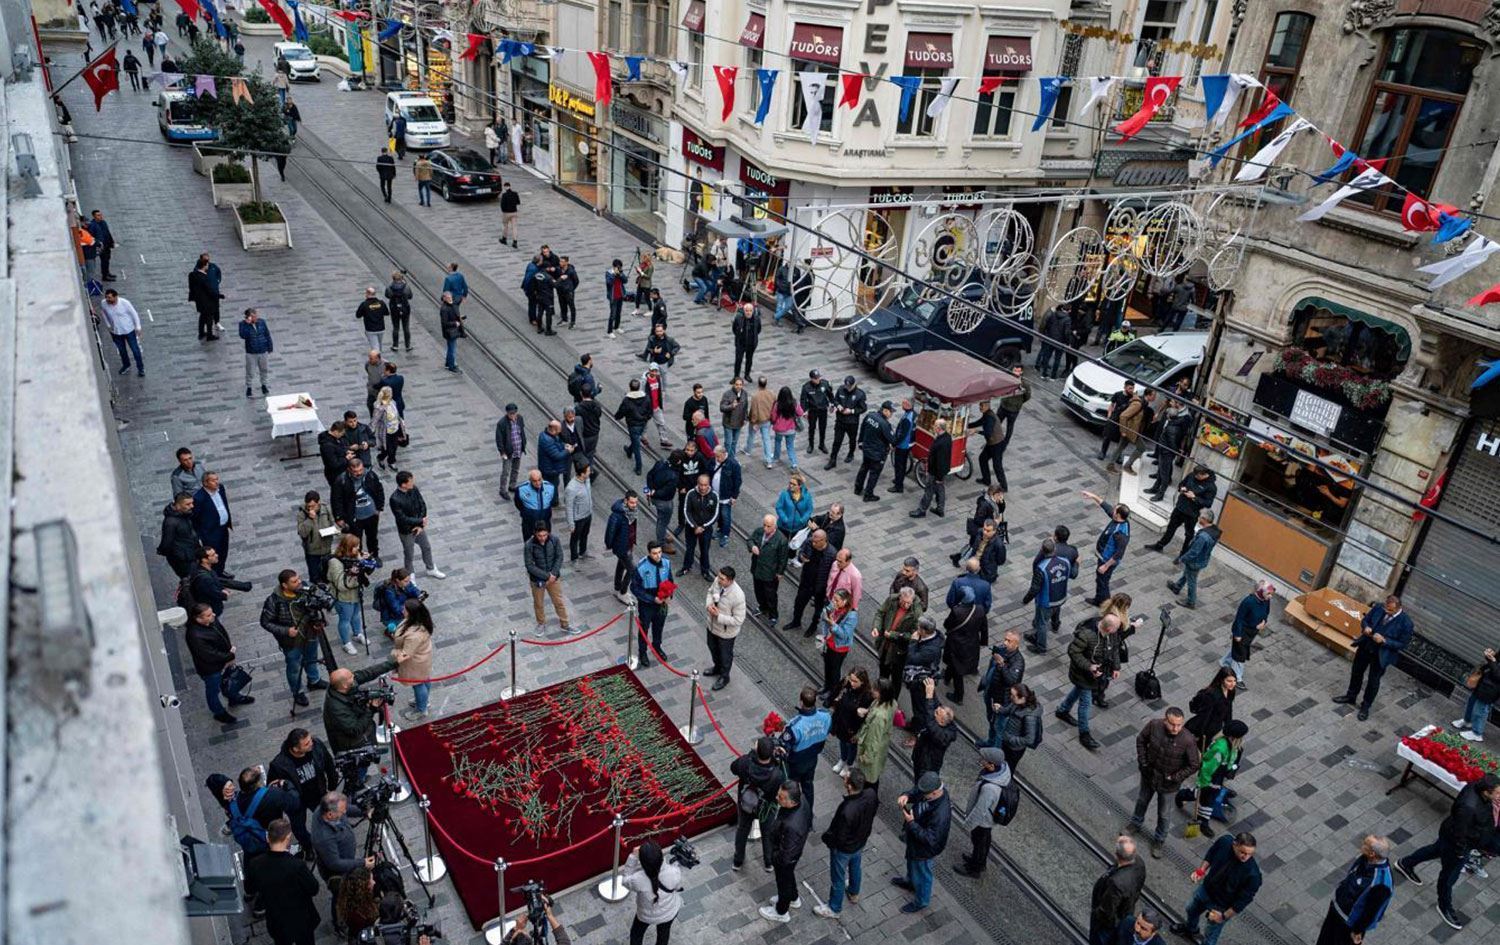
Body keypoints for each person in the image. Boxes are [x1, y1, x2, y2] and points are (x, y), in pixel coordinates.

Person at [1394, 774, 1497, 930]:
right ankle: (1444, 905)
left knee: (1435, 850)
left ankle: (1405, 864)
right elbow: (1460, 833)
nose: (1499, 795)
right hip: (1458, 844)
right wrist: (1461, 853)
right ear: (1486, 792)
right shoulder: (1469, 807)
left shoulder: (1478, 789)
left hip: (1454, 836)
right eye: (1497, 793)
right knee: (1449, 876)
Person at [1129, 707, 1202, 857]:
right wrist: (1143, 762)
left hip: (1169, 784)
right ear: (1165, 720)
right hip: (1149, 774)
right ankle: (1135, 824)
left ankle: (1159, 840)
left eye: (1179, 725)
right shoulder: (1154, 726)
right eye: (1172, 724)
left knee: (1163, 814)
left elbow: (1194, 764)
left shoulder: (1187, 740)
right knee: (1142, 800)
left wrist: (1175, 777)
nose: (1176, 728)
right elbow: (1141, 740)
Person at [1171, 832, 1262, 944]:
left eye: (1250, 854)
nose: (1246, 857)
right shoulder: (1224, 842)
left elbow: (1242, 901)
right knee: (1191, 909)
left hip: (1221, 906)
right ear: (1234, 845)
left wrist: (1223, 916)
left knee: (1211, 935)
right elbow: (1211, 854)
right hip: (1206, 890)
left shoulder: (1253, 875)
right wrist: (1201, 871)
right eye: (1243, 852)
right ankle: (1190, 929)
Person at [813, 766, 879, 919]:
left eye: (845, 779)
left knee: (838, 877)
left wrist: (829, 841)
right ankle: (854, 892)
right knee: (855, 866)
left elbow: (839, 836)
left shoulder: (847, 810)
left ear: (849, 786)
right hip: (860, 841)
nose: (843, 780)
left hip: (844, 849)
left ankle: (834, 908)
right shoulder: (871, 795)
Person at [1334, 595, 1414, 721]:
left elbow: (1402, 644)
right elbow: (1365, 620)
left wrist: (1385, 641)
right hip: (1366, 646)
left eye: (1390, 611)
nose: (1386, 612)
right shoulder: (1378, 608)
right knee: (1356, 672)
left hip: (1381, 655)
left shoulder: (1406, 623)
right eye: (1386, 608)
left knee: (1373, 681)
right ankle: (1351, 696)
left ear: (1399, 608)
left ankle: (1365, 707)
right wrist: (1366, 627)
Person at [243, 818, 320, 945]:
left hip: (276, 920)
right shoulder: (297, 865)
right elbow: (314, 888)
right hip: (301, 919)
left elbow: (250, 887)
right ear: (287, 838)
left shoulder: (255, 864)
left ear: (268, 838)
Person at [1056, 614, 1123, 752]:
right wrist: (1089, 666)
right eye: (1116, 627)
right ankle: (1084, 734)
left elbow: (1115, 649)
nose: (1118, 629)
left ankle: (1062, 710)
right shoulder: (1086, 635)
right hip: (1082, 675)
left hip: (1097, 675)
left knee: (1077, 691)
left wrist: (1116, 667)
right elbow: (1073, 652)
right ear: (1109, 628)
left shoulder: (1112, 635)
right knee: (1085, 703)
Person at [260, 570, 327, 706]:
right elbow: (265, 622)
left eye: (299, 579)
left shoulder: (306, 590)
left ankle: (314, 680)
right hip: (291, 641)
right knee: (294, 667)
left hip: (310, 634)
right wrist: (286, 631)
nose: (299, 583)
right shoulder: (274, 600)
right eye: (294, 581)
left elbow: (315, 608)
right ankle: (297, 692)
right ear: (284, 585)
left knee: (312, 659)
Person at [1317, 835, 1395, 945]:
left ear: (1372, 854)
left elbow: (1371, 912)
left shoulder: (1381, 884)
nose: (1361, 846)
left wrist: (1358, 930)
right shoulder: (1364, 858)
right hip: (1336, 909)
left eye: (1365, 845)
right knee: (1324, 940)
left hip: (1347, 924)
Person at [184, 603, 253, 724]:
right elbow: (209, 655)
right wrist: (229, 656)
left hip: (223, 661)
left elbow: (222, 634)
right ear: (198, 619)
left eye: (212, 613)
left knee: (229, 680)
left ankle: (234, 697)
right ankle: (219, 712)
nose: (213, 615)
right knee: (213, 691)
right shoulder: (194, 635)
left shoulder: (211, 622)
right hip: (211, 669)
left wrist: (229, 651)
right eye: (209, 615)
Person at [323, 658, 400, 763]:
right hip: (354, 746)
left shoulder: (342, 686)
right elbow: (354, 730)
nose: (354, 677)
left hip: (364, 732)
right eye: (351, 677)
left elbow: (368, 673)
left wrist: (394, 662)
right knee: (361, 767)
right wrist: (371, 709)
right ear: (344, 685)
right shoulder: (336, 708)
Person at [894, 771, 951, 913]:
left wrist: (912, 823)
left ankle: (921, 901)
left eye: (925, 793)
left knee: (923, 873)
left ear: (935, 792)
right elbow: (916, 791)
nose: (922, 794)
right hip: (915, 840)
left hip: (925, 849)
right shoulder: (929, 792)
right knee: (912, 862)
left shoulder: (941, 813)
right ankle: (911, 882)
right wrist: (906, 795)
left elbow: (930, 838)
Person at [953, 747, 1012, 878]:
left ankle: (974, 869)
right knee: (983, 842)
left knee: (979, 842)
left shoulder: (990, 788)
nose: (981, 761)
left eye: (983, 760)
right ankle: (979, 861)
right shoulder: (1001, 770)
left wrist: (968, 825)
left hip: (983, 821)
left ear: (991, 765)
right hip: (987, 820)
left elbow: (980, 810)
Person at [1183, 719, 1247, 839]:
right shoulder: (1220, 748)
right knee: (1207, 798)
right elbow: (1208, 767)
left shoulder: (1233, 746)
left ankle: (1183, 795)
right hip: (1211, 778)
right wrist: (1204, 783)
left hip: (1219, 776)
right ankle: (1203, 822)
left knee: (1206, 796)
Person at [759, 781, 813, 923]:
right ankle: (793, 898)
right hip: (792, 852)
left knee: (783, 881)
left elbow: (786, 855)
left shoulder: (792, 826)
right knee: (788, 877)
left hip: (785, 855)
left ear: (792, 802)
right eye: (778, 794)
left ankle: (781, 911)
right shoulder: (802, 800)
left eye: (781, 797)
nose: (777, 798)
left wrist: (774, 856)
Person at [730, 736, 784, 871]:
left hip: (746, 804)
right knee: (767, 834)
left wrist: (750, 755)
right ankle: (768, 862)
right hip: (766, 807)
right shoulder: (776, 774)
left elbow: (733, 768)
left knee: (742, 830)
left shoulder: (745, 763)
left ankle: (738, 861)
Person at [1147, 466, 1218, 556]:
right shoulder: (1192, 475)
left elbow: (1208, 503)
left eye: (1197, 476)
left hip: (1192, 514)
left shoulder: (1211, 487)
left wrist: (1194, 497)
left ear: (1203, 475)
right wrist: (1181, 488)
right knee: (1170, 528)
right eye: (1194, 475)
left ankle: (1183, 553)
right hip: (1180, 508)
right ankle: (1160, 545)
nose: (1195, 477)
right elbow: (1181, 484)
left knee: (1188, 535)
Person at [1088, 836, 1146, 945]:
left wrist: (1097, 915)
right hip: (1126, 909)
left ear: (1117, 855)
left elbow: (1106, 911)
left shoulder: (1116, 883)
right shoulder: (1140, 863)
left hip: (1109, 923)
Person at [623, 840, 683, 945]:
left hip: (645, 915)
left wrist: (633, 857)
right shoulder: (674, 871)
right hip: (670, 911)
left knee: (636, 934)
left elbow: (625, 881)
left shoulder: (638, 879)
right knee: (663, 934)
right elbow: (677, 887)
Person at [781, 687, 832, 809]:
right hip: (812, 759)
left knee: (792, 788)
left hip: (796, 763)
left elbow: (784, 745)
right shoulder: (826, 716)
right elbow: (827, 730)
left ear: (801, 702)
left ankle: (795, 814)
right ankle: (808, 814)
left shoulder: (795, 725)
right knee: (808, 786)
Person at [1025, 536, 1077, 653]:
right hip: (1060, 597)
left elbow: (1035, 588)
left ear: (1042, 551)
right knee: (1051, 614)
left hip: (1046, 601)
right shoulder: (1065, 562)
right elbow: (1073, 574)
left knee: (1041, 623)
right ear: (1055, 549)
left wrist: (1026, 600)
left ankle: (1041, 646)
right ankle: (1047, 629)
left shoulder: (1042, 567)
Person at [1222, 580, 1275, 688]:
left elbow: (1266, 612)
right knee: (1240, 654)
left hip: (1253, 631)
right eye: (1268, 593)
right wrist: (1237, 634)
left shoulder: (1266, 600)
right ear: (1260, 591)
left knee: (1238, 649)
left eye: (1271, 594)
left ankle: (1225, 662)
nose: (1270, 596)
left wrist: (1264, 622)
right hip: (1243, 631)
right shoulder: (1248, 602)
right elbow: (1239, 618)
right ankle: (1238, 677)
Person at [1081, 491, 1131, 605]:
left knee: (1103, 582)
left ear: (1118, 515)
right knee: (1100, 580)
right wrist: (1094, 496)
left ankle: (1106, 604)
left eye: (1115, 509)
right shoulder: (1120, 519)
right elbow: (1106, 507)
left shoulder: (1120, 533)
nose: (1112, 510)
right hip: (1103, 557)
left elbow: (1119, 554)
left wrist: (1105, 566)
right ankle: (1099, 599)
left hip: (1107, 560)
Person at [331, 457, 384, 562]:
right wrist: (339, 517)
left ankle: (374, 555)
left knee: (372, 538)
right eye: (355, 471)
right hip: (354, 517)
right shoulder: (341, 480)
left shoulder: (370, 475)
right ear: (349, 470)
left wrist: (379, 507)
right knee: (356, 540)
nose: (359, 473)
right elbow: (336, 500)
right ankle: (357, 559)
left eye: (360, 470)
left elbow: (379, 490)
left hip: (371, 515)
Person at [632, 540, 675, 665]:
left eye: (660, 552)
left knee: (659, 626)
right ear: (649, 553)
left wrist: (669, 595)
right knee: (644, 628)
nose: (658, 556)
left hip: (662, 602)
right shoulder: (642, 567)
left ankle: (657, 646)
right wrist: (651, 599)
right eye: (655, 553)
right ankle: (643, 652)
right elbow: (634, 588)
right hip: (647, 603)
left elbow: (670, 580)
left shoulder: (666, 563)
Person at [525, 523, 572, 634]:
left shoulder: (554, 540)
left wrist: (553, 574)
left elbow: (559, 556)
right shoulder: (529, 545)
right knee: (538, 603)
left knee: (559, 601)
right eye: (540, 535)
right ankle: (541, 623)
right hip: (537, 580)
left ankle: (565, 624)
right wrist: (547, 576)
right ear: (535, 534)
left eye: (545, 535)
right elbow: (529, 565)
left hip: (553, 578)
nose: (542, 538)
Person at [392, 599, 435, 720]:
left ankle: (421, 709)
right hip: (422, 659)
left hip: (415, 663)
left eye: (404, 609)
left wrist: (392, 662)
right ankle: (423, 701)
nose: (402, 610)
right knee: (424, 680)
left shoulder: (414, 634)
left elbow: (406, 654)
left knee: (418, 684)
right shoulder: (419, 621)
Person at [941, 587, 985, 703]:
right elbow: (983, 628)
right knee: (954, 664)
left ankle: (959, 696)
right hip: (972, 643)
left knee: (957, 671)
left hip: (956, 644)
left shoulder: (957, 611)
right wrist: (983, 641)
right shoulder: (980, 609)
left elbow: (947, 624)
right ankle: (946, 677)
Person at [747, 513, 789, 628]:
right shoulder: (759, 532)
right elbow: (750, 540)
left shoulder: (781, 540)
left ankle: (773, 615)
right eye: (764, 525)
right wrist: (752, 546)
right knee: (758, 591)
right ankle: (762, 607)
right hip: (757, 569)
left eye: (769, 526)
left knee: (771, 595)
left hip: (770, 573)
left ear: (775, 526)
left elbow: (783, 558)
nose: (765, 528)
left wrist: (780, 572)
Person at [829, 668, 874, 775]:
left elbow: (864, 716)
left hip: (853, 727)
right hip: (841, 721)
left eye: (855, 681)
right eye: (851, 679)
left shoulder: (866, 696)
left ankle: (849, 764)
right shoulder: (846, 686)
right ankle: (842, 759)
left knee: (851, 746)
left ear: (862, 682)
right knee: (842, 742)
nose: (852, 683)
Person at [1454, 645, 1500, 742]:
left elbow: (1498, 675)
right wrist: (1490, 656)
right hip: (1485, 682)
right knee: (1472, 702)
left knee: (1481, 709)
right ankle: (1467, 721)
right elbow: (1495, 661)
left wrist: (1492, 661)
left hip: (1493, 689)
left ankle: (1477, 733)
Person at [853, 401, 897, 501]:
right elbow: (892, 440)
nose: (891, 414)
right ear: (885, 411)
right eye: (891, 412)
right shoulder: (885, 424)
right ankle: (868, 495)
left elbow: (862, 428)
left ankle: (858, 488)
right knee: (874, 474)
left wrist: (860, 442)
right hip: (878, 453)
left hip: (867, 449)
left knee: (863, 469)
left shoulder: (870, 416)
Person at [819, 589, 858, 699]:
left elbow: (844, 635)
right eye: (833, 599)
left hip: (839, 648)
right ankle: (827, 686)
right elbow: (824, 614)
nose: (834, 602)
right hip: (829, 642)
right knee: (827, 666)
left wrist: (833, 624)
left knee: (835, 669)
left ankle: (832, 691)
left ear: (845, 601)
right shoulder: (834, 606)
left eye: (837, 600)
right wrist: (826, 612)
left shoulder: (852, 616)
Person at [910, 418, 952, 518]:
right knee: (940, 489)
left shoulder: (941, 442)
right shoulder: (947, 437)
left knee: (929, 490)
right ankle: (940, 509)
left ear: (938, 428)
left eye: (935, 425)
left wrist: (939, 477)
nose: (933, 427)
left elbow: (940, 461)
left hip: (935, 472)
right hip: (940, 471)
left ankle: (922, 510)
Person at [99, 288, 145, 377]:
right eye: (106, 297)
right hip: (115, 332)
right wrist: (108, 325)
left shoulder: (125, 303)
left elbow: (134, 314)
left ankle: (141, 368)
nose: (108, 299)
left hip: (128, 330)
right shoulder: (104, 303)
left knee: (135, 350)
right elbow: (103, 313)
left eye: (110, 297)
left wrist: (138, 327)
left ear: (116, 297)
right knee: (122, 351)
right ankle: (126, 365)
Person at [681, 474, 719, 578]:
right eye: (701, 484)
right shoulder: (691, 493)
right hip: (691, 527)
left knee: (705, 550)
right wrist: (694, 526)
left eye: (705, 485)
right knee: (690, 548)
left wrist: (703, 527)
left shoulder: (714, 496)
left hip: (705, 529)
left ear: (708, 484)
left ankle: (705, 570)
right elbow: (686, 511)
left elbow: (715, 514)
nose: (702, 487)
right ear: (697, 484)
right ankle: (686, 567)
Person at [606, 492, 641, 602]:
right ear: (625, 501)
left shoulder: (632, 511)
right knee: (633, 570)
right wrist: (609, 544)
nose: (634, 505)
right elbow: (610, 531)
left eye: (636, 502)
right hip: (621, 546)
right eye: (632, 502)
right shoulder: (617, 515)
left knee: (621, 565)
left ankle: (617, 587)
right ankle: (623, 592)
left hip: (628, 543)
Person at [827, 376, 867, 469]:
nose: (847, 388)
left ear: (854, 385)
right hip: (840, 420)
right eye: (846, 386)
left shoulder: (860, 394)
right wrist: (838, 405)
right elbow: (835, 400)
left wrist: (852, 411)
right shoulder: (841, 389)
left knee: (852, 440)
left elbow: (863, 408)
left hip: (852, 422)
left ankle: (851, 453)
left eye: (849, 386)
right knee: (837, 441)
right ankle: (833, 460)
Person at [188, 253, 225, 340]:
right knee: (209, 318)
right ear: (204, 266)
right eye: (207, 264)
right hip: (207, 301)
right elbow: (209, 291)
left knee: (202, 316)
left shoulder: (193, 275)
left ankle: (201, 333)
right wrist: (220, 296)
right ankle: (209, 335)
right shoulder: (204, 278)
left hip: (199, 301)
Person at [514, 469, 555, 542]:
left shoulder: (550, 487)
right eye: (534, 481)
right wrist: (526, 512)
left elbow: (551, 500)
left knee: (546, 541)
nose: (538, 483)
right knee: (529, 542)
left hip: (545, 520)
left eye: (539, 480)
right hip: (529, 522)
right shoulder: (521, 489)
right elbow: (518, 503)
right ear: (530, 480)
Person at [770, 387, 805, 470]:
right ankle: (794, 463)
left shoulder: (777, 404)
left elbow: (773, 417)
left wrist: (773, 422)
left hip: (779, 429)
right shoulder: (794, 403)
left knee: (777, 442)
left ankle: (776, 457)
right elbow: (801, 413)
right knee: (790, 446)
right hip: (791, 430)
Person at [800, 369, 833, 454]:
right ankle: (811, 444)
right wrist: (804, 411)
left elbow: (830, 395)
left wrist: (832, 404)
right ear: (811, 379)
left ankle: (822, 444)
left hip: (823, 410)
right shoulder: (806, 387)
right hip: (812, 410)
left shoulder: (825, 384)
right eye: (816, 378)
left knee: (823, 427)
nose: (818, 379)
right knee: (812, 427)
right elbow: (803, 400)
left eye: (818, 377)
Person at [775, 474, 814, 540]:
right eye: (790, 483)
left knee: (793, 547)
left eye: (794, 484)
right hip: (783, 527)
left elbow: (809, 509)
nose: (791, 485)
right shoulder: (784, 494)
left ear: (800, 486)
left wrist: (803, 520)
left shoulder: (807, 496)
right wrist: (785, 519)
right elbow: (779, 507)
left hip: (799, 528)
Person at [889, 399, 916, 493]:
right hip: (909, 443)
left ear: (908, 405)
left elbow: (902, 435)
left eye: (903, 403)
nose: (901, 405)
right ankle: (899, 480)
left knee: (899, 465)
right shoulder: (914, 414)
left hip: (903, 445)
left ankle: (898, 486)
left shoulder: (906, 419)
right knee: (903, 464)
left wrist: (894, 443)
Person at [732, 302, 762, 379]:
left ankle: (747, 374)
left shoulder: (756, 319)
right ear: (744, 311)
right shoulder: (738, 318)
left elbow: (758, 330)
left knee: (749, 360)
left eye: (750, 311)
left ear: (752, 311)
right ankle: (736, 376)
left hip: (751, 344)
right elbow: (734, 329)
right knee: (738, 360)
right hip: (740, 343)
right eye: (747, 311)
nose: (748, 312)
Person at [439, 291, 464, 372]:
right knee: (452, 349)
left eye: (451, 297)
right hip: (449, 332)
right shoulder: (444, 309)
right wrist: (455, 323)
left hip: (452, 331)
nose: (450, 299)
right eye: (448, 298)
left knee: (451, 348)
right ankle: (452, 366)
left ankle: (448, 363)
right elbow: (445, 323)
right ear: (444, 299)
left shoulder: (451, 305)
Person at [499, 183, 520, 247]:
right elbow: (518, 202)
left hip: (506, 213)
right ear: (510, 186)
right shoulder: (515, 193)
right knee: (514, 227)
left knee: (505, 226)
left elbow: (502, 205)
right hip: (514, 212)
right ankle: (515, 242)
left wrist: (504, 211)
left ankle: (504, 239)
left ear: (505, 187)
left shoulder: (504, 195)